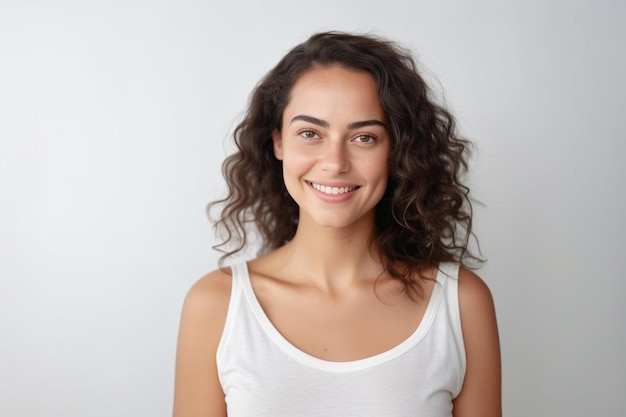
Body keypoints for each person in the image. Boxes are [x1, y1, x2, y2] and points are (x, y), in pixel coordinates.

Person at [173, 32, 501, 417]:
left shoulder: (460, 303)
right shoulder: (216, 306)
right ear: (278, 141)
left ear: (396, 149)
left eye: (364, 137)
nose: (335, 162)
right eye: (310, 133)